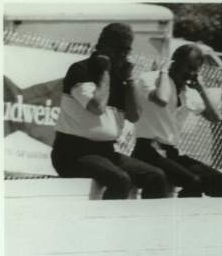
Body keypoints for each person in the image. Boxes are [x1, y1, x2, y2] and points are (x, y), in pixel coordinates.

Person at [51, 23, 167, 199]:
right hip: (73, 153)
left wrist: (129, 80)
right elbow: (97, 107)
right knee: (120, 180)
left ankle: (146, 224)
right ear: (103, 48)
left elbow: (134, 116)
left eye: (127, 51)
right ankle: (107, 225)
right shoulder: (81, 70)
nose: (123, 55)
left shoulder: (121, 78)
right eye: (119, 49)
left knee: (156, 176)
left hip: (105, 152)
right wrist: (105, 70)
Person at [131, 43, 222, 197]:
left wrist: (200, 88)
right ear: (175, 63)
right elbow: (162, 99)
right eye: (188, 67)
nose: (191, 73)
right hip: (147, 150)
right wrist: (164, 72)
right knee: (193, 181)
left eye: (195, 70)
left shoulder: (189, 93)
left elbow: (216, 118)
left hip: (171, 152)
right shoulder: (151, 79)